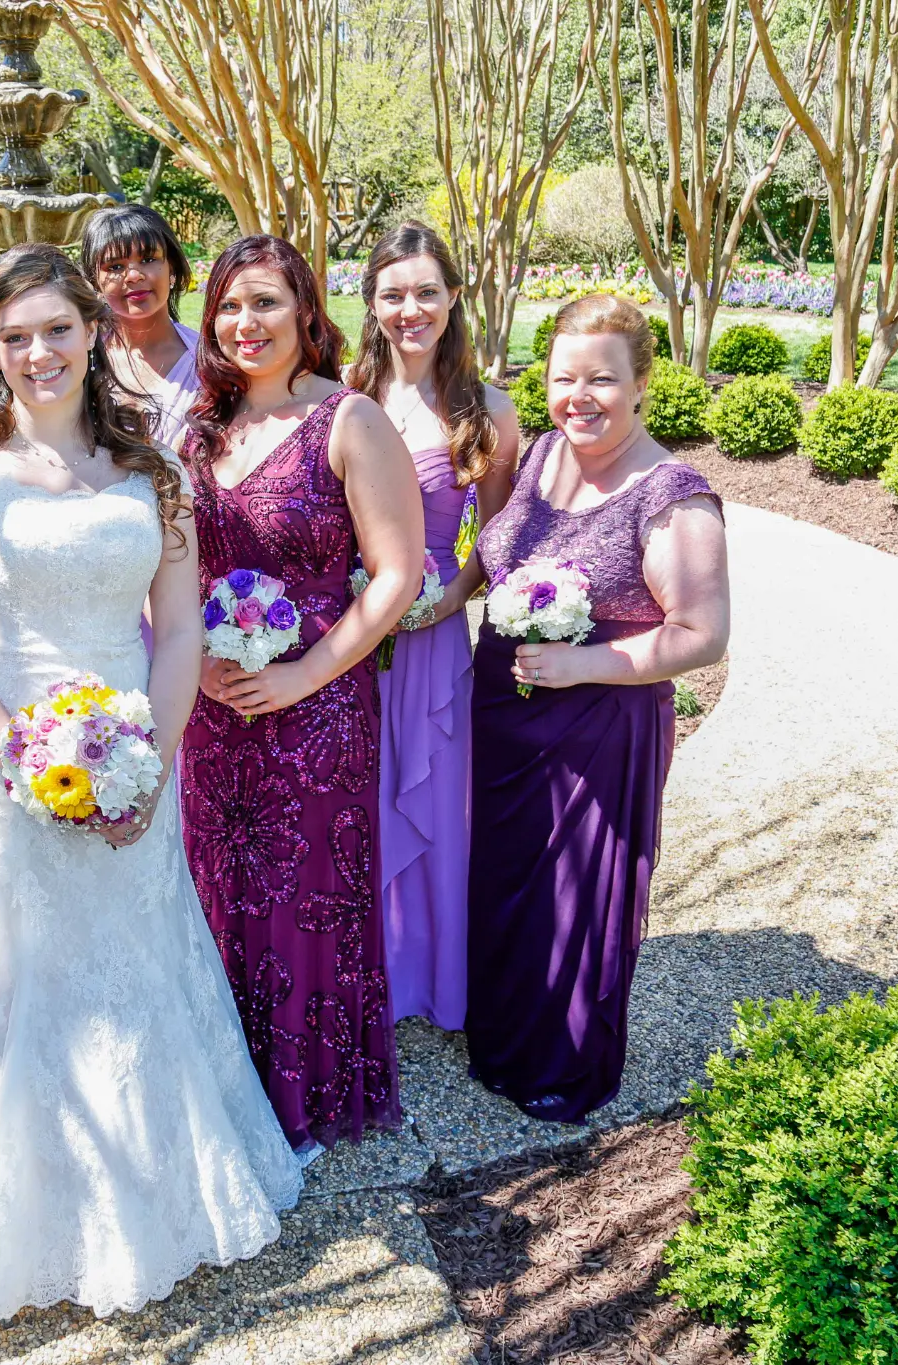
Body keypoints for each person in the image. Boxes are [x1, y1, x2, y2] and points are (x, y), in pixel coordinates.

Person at [0, 244, 302, 1327]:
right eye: (13, 337)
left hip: (138, 751)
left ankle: (148, 1190)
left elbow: (177, 628)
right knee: (15, 975)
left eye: (56, 329)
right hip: (5, 772)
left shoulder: (152, 471)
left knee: (133, 963)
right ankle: (10, 1208)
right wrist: (36, 771)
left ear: (93, 332)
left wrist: (149, 761)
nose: (37, 352)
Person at [177, 235, 426, 1158]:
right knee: (218, 889)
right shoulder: (199, 430)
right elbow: (172, 568)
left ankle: (304, 1095)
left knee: (306, 892)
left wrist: (297, 676)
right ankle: (228, 1089)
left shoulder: (350, 420)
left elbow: (396, 576)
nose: (247, 324)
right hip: (214, 706)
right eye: (230, 306)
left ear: (307, 314)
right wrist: (197, 663)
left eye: (267, 304)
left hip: (318, 707)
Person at [467, 293, 729, 1123]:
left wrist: (582, 663)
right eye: (563, 377)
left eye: (602, 380)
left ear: (642, 384)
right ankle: (502, 1032)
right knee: (505, 884)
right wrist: (434, 602)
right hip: (502, 715)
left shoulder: (672, 494)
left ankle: (563, 1058)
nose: (579, 396)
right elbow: (496, 552)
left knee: (573, 895)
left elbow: (702, 633)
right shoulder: (541, 453)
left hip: (597, 728)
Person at [347, 223, 520, 1030]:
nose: (409, 309)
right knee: (355, 800)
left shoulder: (488, 411)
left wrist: (447, 599)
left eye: (425, 292)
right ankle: (366, 974)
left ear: (454, 297)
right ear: (371, 302)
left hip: (433, 635)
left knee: (435, 805)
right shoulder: (343, 394)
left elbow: (498, 537)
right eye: (392, 294)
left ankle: (435, 981)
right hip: (346, 636)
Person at [80, 203, 201, 448]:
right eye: (115, 267)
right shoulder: (80, 356)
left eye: (148, 259)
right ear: (95, 281)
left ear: (172, 268)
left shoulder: (207, 361)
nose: (134, 276)